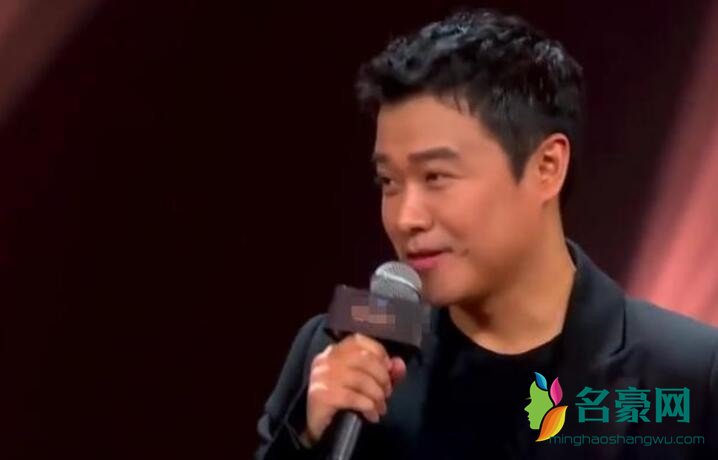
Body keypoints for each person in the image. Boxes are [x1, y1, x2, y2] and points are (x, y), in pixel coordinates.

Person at [255, 9, 718, 459]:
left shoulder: (688, 376)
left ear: (546, 167)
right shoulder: (338, 357)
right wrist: (305, 441)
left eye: (436, 176)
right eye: (388, 182)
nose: (406, 217)